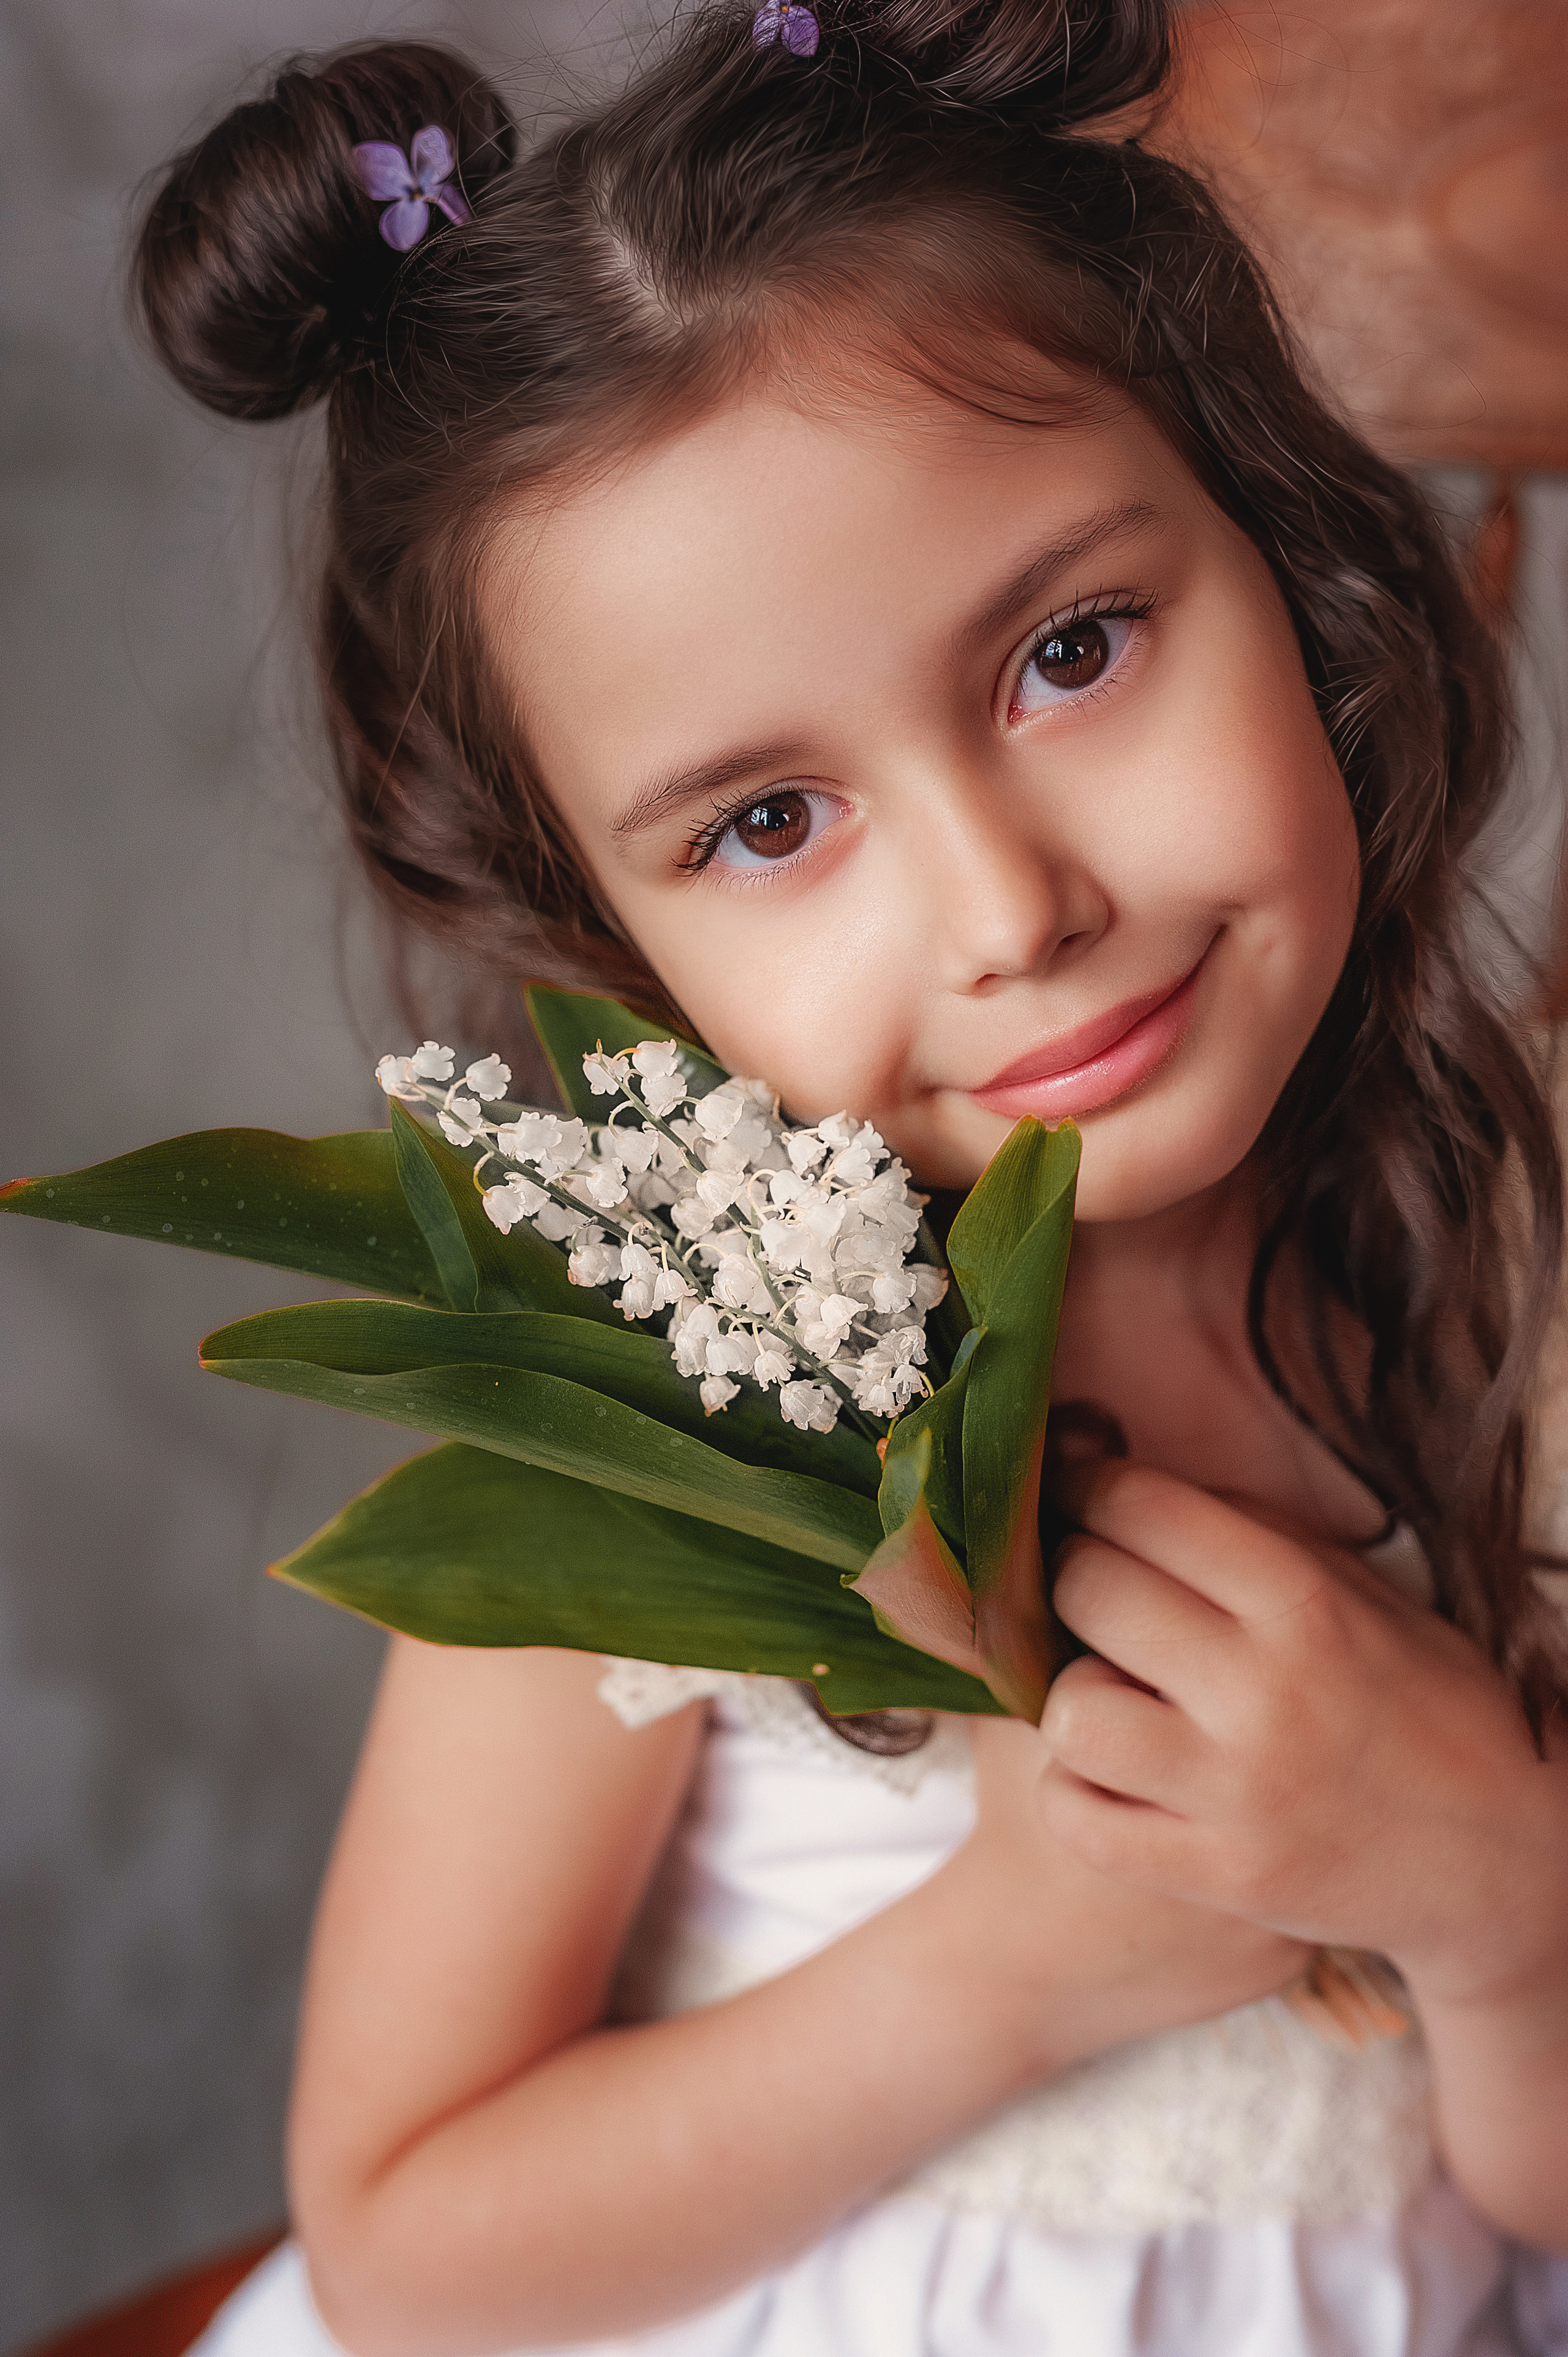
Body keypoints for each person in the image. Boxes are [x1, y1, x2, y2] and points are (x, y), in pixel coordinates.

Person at [129, 1, 1568, 2348]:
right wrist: (1006, 1977)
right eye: (769, 825)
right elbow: (404, 2240)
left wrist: (1505, 1893)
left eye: (1073, 648)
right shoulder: (654, 1413)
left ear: (1286, 553)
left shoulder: (1532, 1263)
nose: (1012, 912)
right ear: (614, 933)